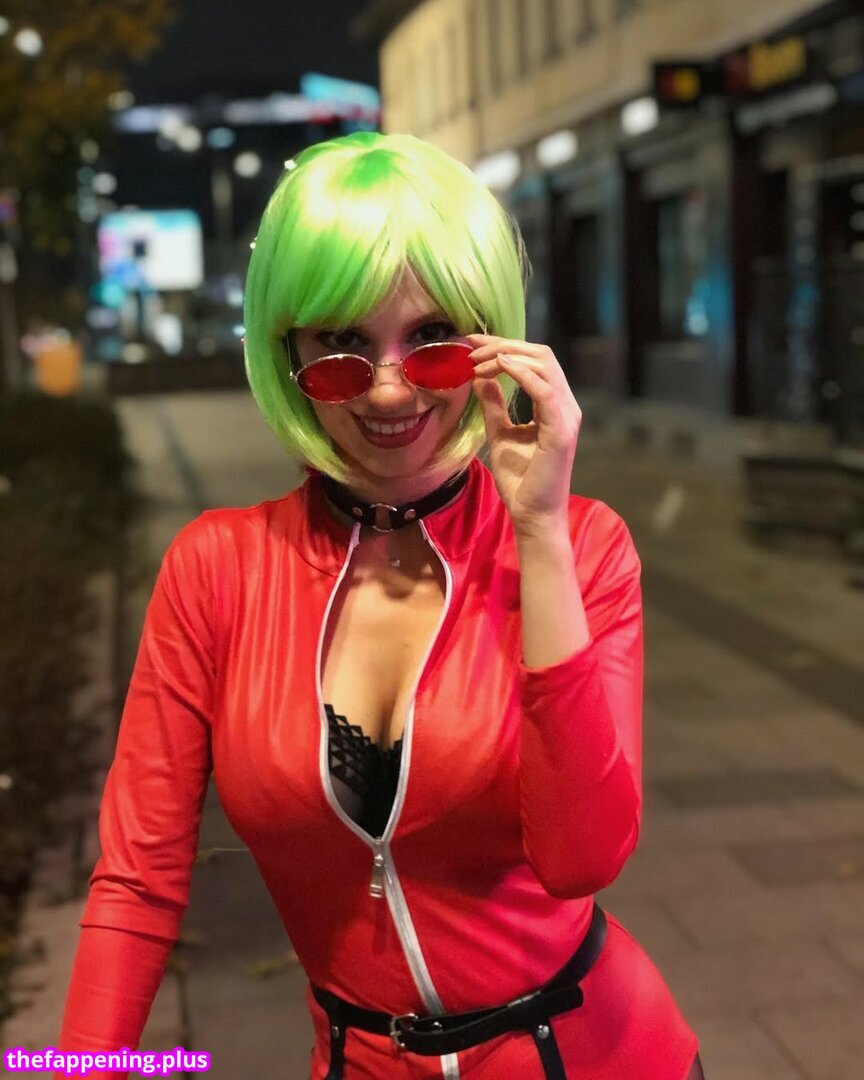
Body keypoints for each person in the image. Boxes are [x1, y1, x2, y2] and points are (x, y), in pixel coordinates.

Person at [55, 131, 704, 1078]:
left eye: (433, 339)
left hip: (599, 1055)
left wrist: (539, 532)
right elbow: (137, 880)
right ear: (287, 354)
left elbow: (584, 858)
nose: (391, 389)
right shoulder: (216, 570)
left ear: (491, 340)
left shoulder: (583, 546)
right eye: (343, 347)